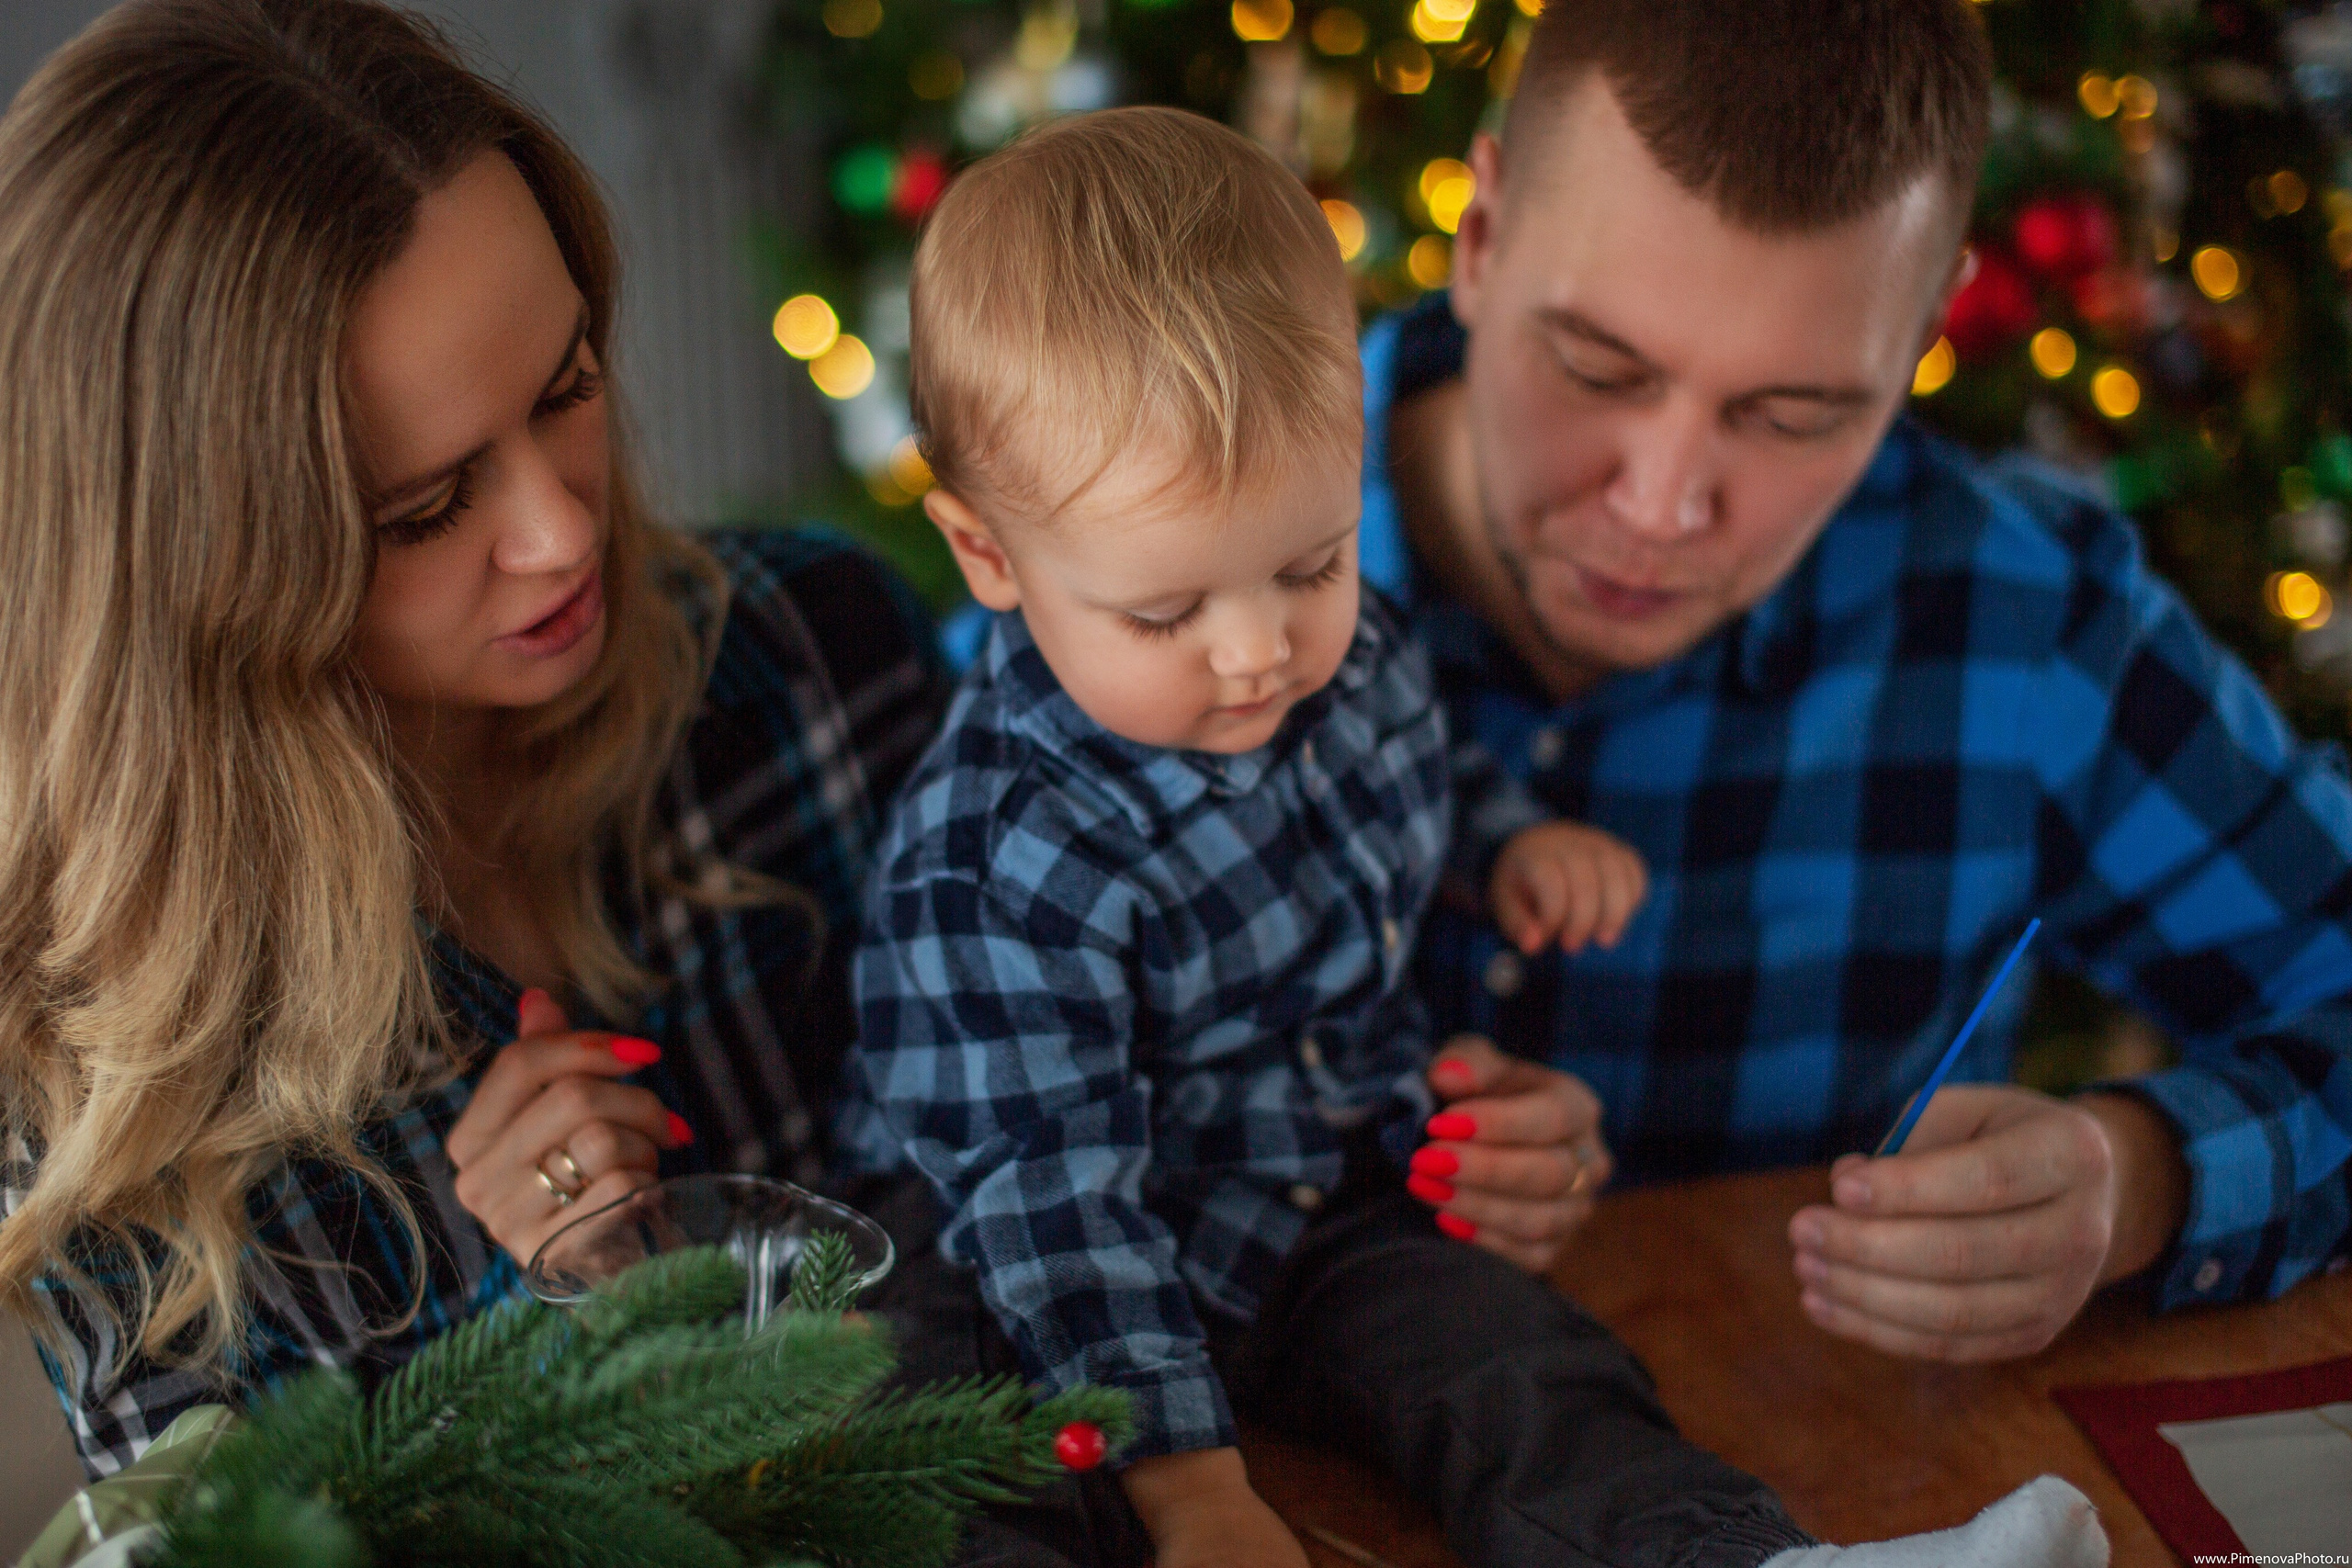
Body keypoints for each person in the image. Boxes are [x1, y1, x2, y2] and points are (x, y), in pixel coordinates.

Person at [845, 106, 2108, 1568]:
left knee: (1529, 1372)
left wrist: (1503, 848)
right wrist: (1193, 1493)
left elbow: (1410, 765)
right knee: (952, 1478)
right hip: (1009, 1266)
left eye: (1309, 564)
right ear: (989, 556)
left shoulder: (1352, 652)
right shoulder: (990, 861)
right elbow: (1055, 1213)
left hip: (1305, 1198)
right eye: (1167, 612)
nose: (1259, 652)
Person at [0, 0, 944, 1479]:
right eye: (426, 510)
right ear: (193, 580)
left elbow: (1024, 1238)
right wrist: (555, 1326)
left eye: (567, 386)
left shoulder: (818, 657)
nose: (563, 531)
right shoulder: (115, 1103)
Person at [1369, 0, 2352, 1365]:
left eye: (1791, 415)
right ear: (1480, 242)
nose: (1661, 508)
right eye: (1597, 368)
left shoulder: (2026, 623)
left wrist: (2143, 1180)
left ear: (1928, 325)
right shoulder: (1141, 527)